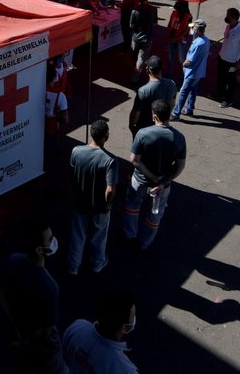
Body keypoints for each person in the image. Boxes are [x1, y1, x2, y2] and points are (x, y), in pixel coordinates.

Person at [0, 218, 68, 374]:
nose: (54, 241)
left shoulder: (14, 261)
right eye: (50, 239)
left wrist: (16, 333)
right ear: (39, 250)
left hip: (20, 334)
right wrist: (25, 341)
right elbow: (47, 328)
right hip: (43, 346)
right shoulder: (49, 287)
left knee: (23, 370)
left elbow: (3, 293)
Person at [63, 290, 145, 374]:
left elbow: (65, 358)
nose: (134, 319)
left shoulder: (76, 329)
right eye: (133, 317)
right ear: (123, 328)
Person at [124, 99, 186, 250]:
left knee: (132, 207)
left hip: (139, 181)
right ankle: (144, 243)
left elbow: (134, 160)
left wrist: (151, 177)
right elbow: (180, 166)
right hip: (162, 187)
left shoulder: (143, 134)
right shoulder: (178, 138)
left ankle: (130, 236)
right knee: (155, 215)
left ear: (154, 116)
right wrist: (162, 182)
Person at [67, 119, 118, 276]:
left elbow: (72, 176)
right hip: (99, 207)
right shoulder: (110, 161)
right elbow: (110, 189)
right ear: (106, 136)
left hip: (80, 203)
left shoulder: (76, 151)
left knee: (77, 236)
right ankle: (97, 263)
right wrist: (108, 204)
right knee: (99, 237)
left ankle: (73, 267)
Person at [129, 55, 177, 138]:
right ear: (162, 68)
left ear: (147, 69)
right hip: (162, 127)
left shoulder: (143, 91)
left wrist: (131, 126)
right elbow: (172, 104)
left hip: (144, 129)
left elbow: (136, 113)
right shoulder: (172, 84)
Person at [171, 20, 210, 120]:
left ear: (197, 29)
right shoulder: (206, 40)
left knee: (183, 92)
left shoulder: (197, 44)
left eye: (193, 28)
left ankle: (176, 114)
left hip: (192, 72)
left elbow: (189, 61)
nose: (191, 29)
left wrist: (183, 64)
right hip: (199, 72)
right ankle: (189, 109)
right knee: (193, 90)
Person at [214, 7, 240, 109]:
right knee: (221, 78)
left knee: (230, 82)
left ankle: (228, 100)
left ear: (234, 18)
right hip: (222, 57)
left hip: (232, 61)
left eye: (228, 15)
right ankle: (220, 93)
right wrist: (219, 54)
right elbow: (226, 41)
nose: (226, 17)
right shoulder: (229, 26)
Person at [128, 0, 157, 85]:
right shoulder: (153, 9)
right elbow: (155, 23)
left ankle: (135, 72)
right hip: (147, 37)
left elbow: (131, 25)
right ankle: (135, 77)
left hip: (136, 37)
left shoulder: (135, 10)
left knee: (134, 54)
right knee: (142, 57)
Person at [165, 0, 192, 80]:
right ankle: (169, 73)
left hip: (181, 40)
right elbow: (170, 23)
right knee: (171, 58)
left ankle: (185, 75)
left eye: (177, 3)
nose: (175, 4)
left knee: (181, 59)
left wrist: (176, 39)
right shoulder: (174, 12)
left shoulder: (188, 16)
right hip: (172, 38)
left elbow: (186, 31)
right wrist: (169, 35)